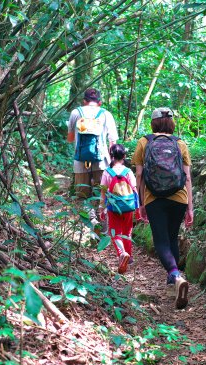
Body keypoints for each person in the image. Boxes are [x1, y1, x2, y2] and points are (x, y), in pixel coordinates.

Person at [132, 107, 194, 309]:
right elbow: (188, 177)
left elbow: (139, 176)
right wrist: (190, 208)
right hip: (179, 198)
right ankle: (172, 283)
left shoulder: (145, 142)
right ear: (171, 123)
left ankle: (175, 275)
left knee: (161, 240)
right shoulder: (180, 143)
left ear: (154, 122)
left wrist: (140, 203)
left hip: (154, 197)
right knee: (172, 237)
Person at [67, 88, 118, 226]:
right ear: (99, 102)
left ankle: (90, 222)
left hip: (80, 160)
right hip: (102, 161)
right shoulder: (106, 114)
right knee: (101, 192)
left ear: (84, 101)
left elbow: (70, 139)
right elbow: (112, 142)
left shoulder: (76, 112)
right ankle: (102, 223)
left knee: (83, 195)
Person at [99, 144, 138, 274]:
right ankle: (129, 257)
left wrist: (101, 208)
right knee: (127, 231)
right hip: (128, 206)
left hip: (113, 207)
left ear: (111, 156)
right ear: (124, 156)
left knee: (114, 232)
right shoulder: (128, 172)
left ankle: (122, 253)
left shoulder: (107, 172)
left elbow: (103, 192)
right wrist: (138, 208)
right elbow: (134, 190)